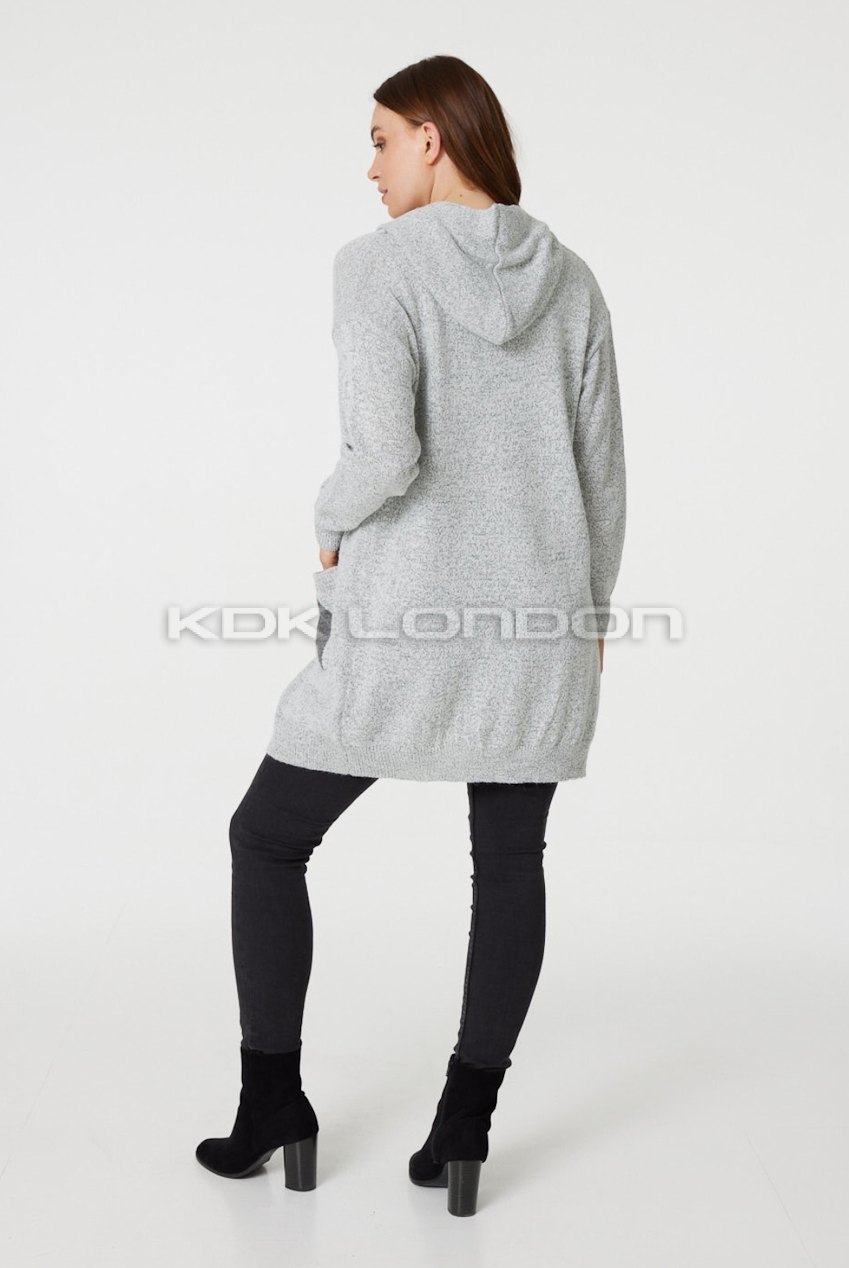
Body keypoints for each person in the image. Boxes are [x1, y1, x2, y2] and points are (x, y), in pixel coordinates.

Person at [196, 54, 626, 1217]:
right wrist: (591, 610)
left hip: (405, 622)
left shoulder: (377, 266)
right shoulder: (573, 280)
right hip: (540, 621)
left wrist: (326, 520)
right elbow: (602, 471)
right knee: (511, 864)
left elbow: (386, 453)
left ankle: (272, 1102)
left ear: (434, 138)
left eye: (383, 138)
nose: (371, 164)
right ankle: (464, 1125)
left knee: (265, 837)